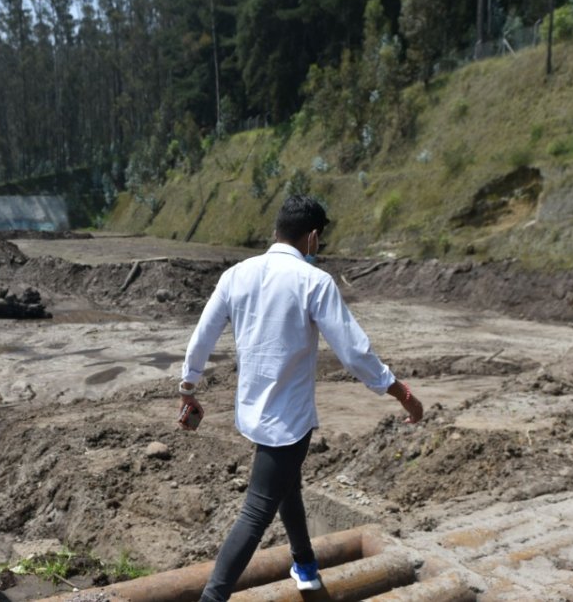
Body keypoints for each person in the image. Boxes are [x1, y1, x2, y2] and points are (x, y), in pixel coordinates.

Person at [177, 195, 424, 601]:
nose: (319, 248)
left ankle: (305, 566)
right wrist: (403, 394)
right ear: (311, 237)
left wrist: (188, 390)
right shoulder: (314, 282)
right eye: (320, 241)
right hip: (288, 423)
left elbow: (201, 338)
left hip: (253, 414)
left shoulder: (236, 275)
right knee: (257, 512)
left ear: (276, 230)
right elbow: (355, 353)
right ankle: (212, 598)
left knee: (287, 486)